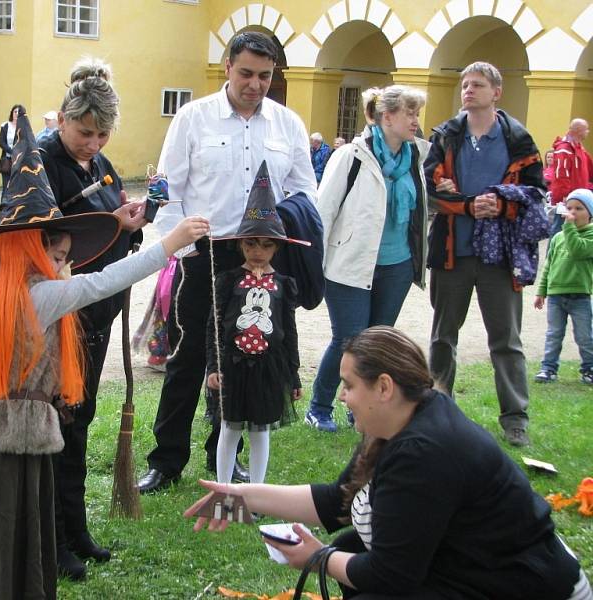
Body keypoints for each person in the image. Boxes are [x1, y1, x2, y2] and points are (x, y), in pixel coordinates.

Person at [0, 112, 208, 598]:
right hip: (18, 436)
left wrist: (118, 225)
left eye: (64, 258)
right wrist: (169, 243)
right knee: (11, 518)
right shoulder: (40, 297)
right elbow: (104, 281)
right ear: (28, 254)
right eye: (58, 258)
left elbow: (86, 273)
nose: (64, 266)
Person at [185, 326, 592, 600]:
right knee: (350, 543)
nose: (341, 397)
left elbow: (392, 576)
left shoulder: (424, 451)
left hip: (534, 588)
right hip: (477, 575)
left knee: (353, 560)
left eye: (348, 385)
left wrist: (317, 557)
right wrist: (239, 496)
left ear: (384, 387)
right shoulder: (397, 424)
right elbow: (336, 501)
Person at [138, 31, 317, 494]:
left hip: (260, 261)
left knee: (247, 360)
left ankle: (228, 457)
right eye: (246, 74)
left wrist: (280, 234)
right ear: (227, 67)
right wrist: (182, 249)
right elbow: (168, 189)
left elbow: (305, 191)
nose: (256, 84)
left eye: (265, 75)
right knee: (189, 359)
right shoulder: (193, 118)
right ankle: (166, 460)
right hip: (205, 254)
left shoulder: (288, 124)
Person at [39, 57, 145, 580]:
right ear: (62, 119)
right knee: (56, 421)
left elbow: (109, 230)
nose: (94, 143)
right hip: (56, 315)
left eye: (103, 134)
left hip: (96, 311)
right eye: (85, 132)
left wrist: (127, 224)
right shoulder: (36, 164)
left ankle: (74, 528)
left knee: (80, 419)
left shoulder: (101, 167)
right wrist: (105, 225)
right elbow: (35, 239)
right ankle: (52, 537)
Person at [425, 61, 545, 447]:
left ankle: (516, 418)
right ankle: (438, 408)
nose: (468, 90)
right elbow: (429, 190)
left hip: (501, 257)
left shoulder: (519, 140)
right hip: (452, 251)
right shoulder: (445, 136)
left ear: (497, 93)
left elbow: (535, 195)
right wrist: (470, 205)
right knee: (443, 336)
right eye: (464, 84)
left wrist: (505, 207)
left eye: (477, 85)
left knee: (506, 340)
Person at [304, 85, 428, 434]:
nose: (416, 121)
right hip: (349, 266)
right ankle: (319, 406)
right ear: (387, 116)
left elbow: (420, 212)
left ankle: (362, 410)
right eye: (410, 113)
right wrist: (316, 262)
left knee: (379, 343)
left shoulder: (415, 155)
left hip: (397, 265)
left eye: (417, 113)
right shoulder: (351, 156)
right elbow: (323, 212)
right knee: (350, 339)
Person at [206, 161, 302, 485]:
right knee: (230, 428)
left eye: (266, 244)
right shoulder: (227, 280)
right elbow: (214, 326)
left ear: (277, 246)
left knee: (261, 431)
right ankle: (224, 489)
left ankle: (257, 491)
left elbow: (289, 332)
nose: (258, 251)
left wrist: (294, 374)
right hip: (232, 368)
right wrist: (212, 367)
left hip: (269, 369)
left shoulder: (285, 285)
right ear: (240, 244)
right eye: (250, 243)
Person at [534, 188, 593, 384]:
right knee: (554, 334)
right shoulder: (559, 237)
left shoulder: (590, 235)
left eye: (579, 208)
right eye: (569, 208)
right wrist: (541, 291)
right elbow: (549, 265)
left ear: (590, 213)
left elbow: (577, 250)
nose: (573, 212)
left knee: (584, 336)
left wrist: (568, 227)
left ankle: (589, 368)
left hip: (580, 296)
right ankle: (548, 368)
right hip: (556, 296)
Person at [548, 119, 593, 238]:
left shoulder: (578, 148)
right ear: (579, 130)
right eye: (586, 129)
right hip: (567, 199)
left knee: (571, 229)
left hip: (577, 197)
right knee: (560, 229)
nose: (588, 132)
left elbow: (589, 167)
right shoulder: (565, 148)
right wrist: (565, 196)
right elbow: (561, 174)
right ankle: (552, 256)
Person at [0, 104, 23, 198]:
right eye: (15, 112)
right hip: (7, 160)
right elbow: (1, 142)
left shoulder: (23, 127)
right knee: (6, 187)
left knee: (16, 188)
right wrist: (11, 151)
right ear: (12, 113)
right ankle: (3, 210)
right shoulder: (5, 125)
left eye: (18, 112)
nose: (16, 114)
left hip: (19, 161)